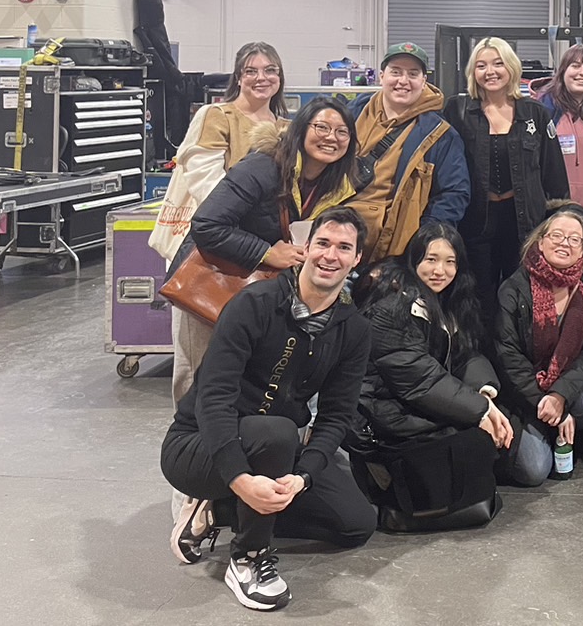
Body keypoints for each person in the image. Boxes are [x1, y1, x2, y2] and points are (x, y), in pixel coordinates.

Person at [162, 207, 376, 612]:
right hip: (198, 443)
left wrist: (302, 477)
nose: (331, 256)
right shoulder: (254, 304)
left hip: (276, 452)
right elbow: (213, 399)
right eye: (323, 244)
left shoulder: (353, 330)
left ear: (357, 259)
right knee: (277, 431)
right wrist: (240, 478)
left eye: (344, 248)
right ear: (305, 248)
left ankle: (222, 509)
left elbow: (335, 416)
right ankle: (247, 556)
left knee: (356, 524)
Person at [348, 223, 514, 532]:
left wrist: (485, 392)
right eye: (430, 259)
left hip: (414, 403)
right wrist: (479, 410)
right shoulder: (392, 304)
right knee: (480, 437)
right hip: (382, 415)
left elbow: (469, 353)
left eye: (450, 261)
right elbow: (419, 379)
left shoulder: (449, 299)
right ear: (413, 260)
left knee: (503, 435)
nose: (440, 270)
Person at [153, 41, 289, 406]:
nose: (261, 78)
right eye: (251, 71)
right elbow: (205, 183)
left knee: (247, 359)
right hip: (210, 253)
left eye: (270, 70)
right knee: (200, 356)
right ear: (238, 77)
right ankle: (191, 437)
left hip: (261, 257)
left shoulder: (287, 127)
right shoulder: (218, 116)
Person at [492, 204, 583, 487]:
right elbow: (507, 356)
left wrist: (560, 396)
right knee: (533, 471)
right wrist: (543, 402)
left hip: (565, 384)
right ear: (541, 240)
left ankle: (562, 423)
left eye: (575, 239)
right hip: (523, 392)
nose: (565, 243)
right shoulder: (514, 287)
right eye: (557, 235)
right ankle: (550, 425)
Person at [444, 37, 570, 305]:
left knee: (522, 296)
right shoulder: (457, 110)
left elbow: (554, 174)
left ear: (511, 67)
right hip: (475, 223)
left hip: (524, 224)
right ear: (472, 72)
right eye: (481, 65)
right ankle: (480, 347)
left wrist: (559, 222)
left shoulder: (535, 113)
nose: (490, 72)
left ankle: (515, 347)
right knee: (477, 297)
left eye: (498, 63)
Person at [186, 98, 360, 282]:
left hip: (280, 287)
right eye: (322, 127)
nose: (331, 137)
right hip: (228, 281)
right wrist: (265, 253)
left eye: (342, 132)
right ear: (300, 129)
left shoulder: (340, 187)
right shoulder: (261, 168)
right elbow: (206, 225)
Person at [349, 41, 470, 262]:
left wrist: (422, 243)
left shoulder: (440, 134)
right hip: (338, 237)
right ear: (382, 76)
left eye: (413, 74)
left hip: (393, 249)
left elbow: (454, 193)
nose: (403, 81)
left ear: (424, 81)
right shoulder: (351, 114)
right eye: (396, 72)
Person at [534, 43, 583, 214]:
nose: (582, 73)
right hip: (553, 207)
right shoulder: (544, 108)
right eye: (575, 66)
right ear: (562, 71)